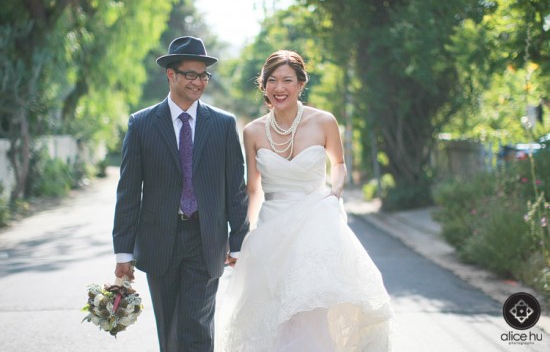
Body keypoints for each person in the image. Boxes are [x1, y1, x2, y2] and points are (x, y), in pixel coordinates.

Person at [216, 50, 393, 351]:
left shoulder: (324, 121)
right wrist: (242, 238)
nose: (279, 87)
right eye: (272, 80)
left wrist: (335, 191)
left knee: (310, 307)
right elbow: (253, 189)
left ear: (300, 84)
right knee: (273, 311)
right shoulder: (252, 131)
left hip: (316, 221)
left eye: (287, 80)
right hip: (273, 227)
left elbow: (338, 165)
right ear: (263, 86)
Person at [112, 36, 249, 352]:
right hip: (160, 241)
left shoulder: (223, 125)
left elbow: (236, 189)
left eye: (203, 75)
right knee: (170, 328)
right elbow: (129, 192)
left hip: (206, 239)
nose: (199, 82)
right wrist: (123, 252)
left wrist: (239, 242)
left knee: (197, 325)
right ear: (170, 75)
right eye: (190, 74)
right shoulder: (142, 124)